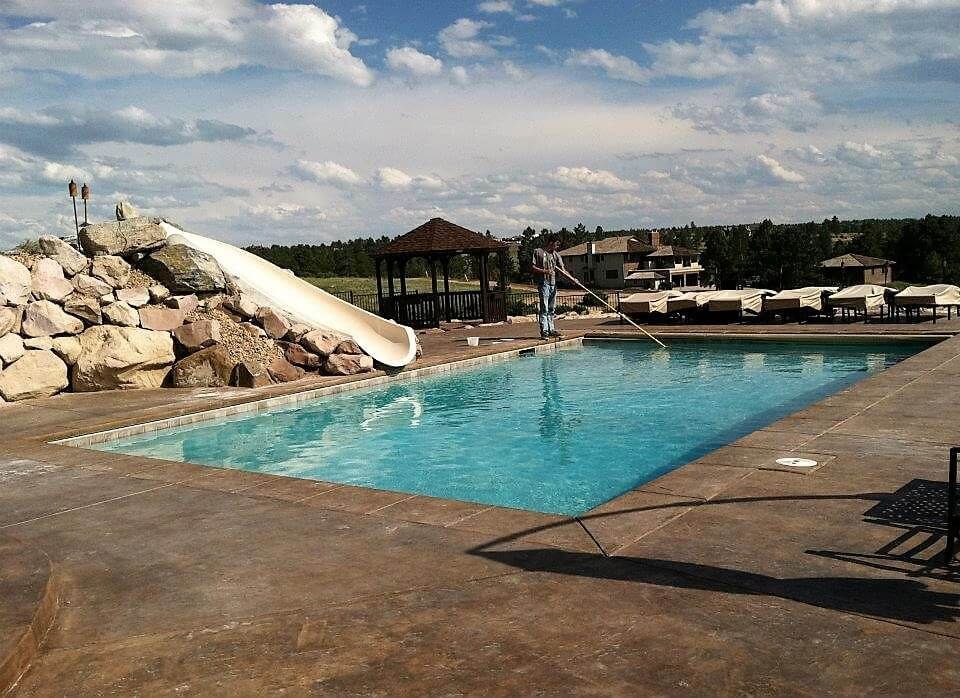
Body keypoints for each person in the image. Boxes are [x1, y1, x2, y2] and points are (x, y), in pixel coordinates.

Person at [531, 236, 566, 340]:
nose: (557, 246)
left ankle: (551, 329)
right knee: (544, 308)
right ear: (551, 243)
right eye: (556, 244)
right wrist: (545, 271)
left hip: (553, 284)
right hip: (543, 283)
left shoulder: (556, 255)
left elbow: (563, 270)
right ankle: (544, 331)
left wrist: (573, 279)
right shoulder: (538, 252)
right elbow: (532, 267)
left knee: (551, 308)